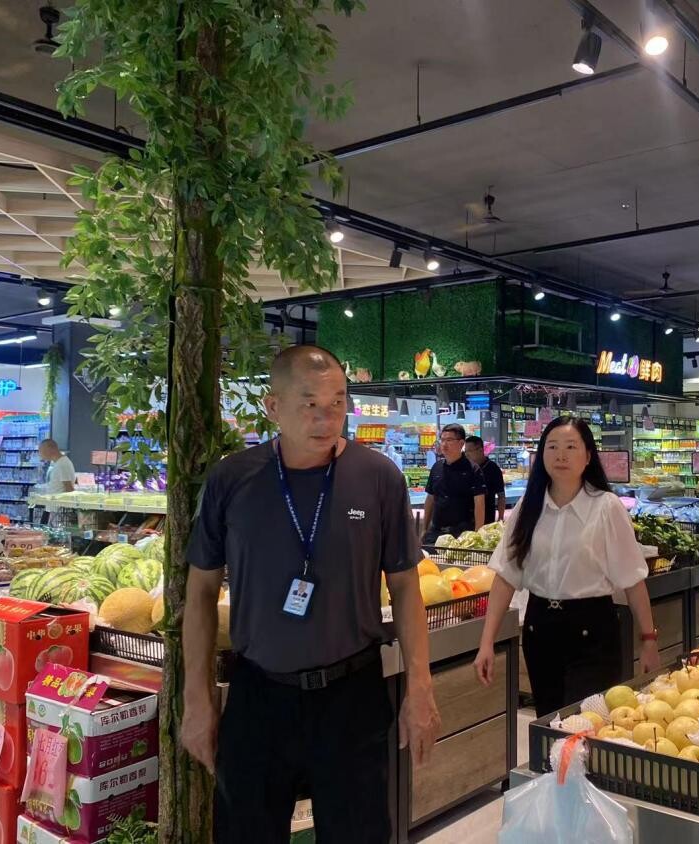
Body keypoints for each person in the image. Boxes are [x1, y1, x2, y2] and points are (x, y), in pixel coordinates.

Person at [182, 345, 440, 844]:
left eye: (338, 402)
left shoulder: (378, 477)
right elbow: (200, 592)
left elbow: (406, 587)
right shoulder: (232, 479)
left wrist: (421, 687)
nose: (327, 418)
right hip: (258, 695)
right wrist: (197, 698)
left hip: (352, 696)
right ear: (272, 406)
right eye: (310, 404)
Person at [473, 417, 660, 717]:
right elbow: (506, 576)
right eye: (552, 447)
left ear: (588, 456)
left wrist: (648, 640)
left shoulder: (607, 507)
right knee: (549, 722)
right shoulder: (528, 506)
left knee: (584, 724)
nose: (560, 455)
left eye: (571, 447)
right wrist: (486, 643)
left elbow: (632, 580)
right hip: (539, 629)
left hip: (593, 631)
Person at [422, 424, 486, 543]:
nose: (444, 444)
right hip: (436, 532)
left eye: (449, 440)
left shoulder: (473, 469)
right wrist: (424, 529)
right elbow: (430, 498)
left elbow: (479, 503)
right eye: (442, 440)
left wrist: (478, 533)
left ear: (461, 443)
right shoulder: (436, 467)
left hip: (462, 535)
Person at [464, 435, 505, 523]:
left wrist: (500, 518)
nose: (466, 454)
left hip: (487, 517)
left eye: (470, 451)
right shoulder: (465, 467)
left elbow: (501, 495)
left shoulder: (493, 469)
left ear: (480, 450)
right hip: (466, 518)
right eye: (465, 451)